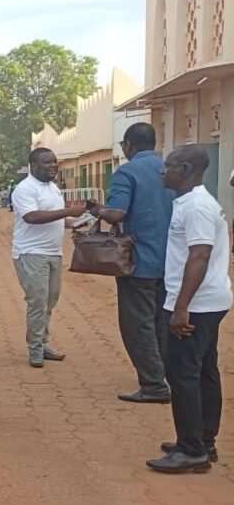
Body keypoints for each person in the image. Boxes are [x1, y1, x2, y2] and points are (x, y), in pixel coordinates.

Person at [147, 146, 232, 473]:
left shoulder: (196, 207)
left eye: (167, 166)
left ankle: (191, 449)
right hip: (209, 300)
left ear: (185, 168)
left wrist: (181, 307)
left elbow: (199, 257)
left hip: (196, 304)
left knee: (183, 374)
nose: (162, 171)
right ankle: (202, 441)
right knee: (204, 371)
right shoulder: (196, 202)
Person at [91, 123, 175, 403]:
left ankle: (153, 385)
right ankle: (165, 376)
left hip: (138, 261)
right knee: (161, 321)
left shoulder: (127, 172)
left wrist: (98, 210)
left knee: (137, 324)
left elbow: (116, 214)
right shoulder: (171, 169)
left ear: (128, 146)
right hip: (171, 261)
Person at [11, 148, 87, 368]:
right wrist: (67, 213)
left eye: (55, 162)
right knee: (37, 302)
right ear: (33, 165)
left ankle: (43, 344)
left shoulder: (53, 188)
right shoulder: (25, 189)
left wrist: (76, 222)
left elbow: (56, 218)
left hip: (54, 253)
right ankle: (34, 349)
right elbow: (32, 217)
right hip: (31, 253)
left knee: (50, 300)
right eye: (47, 163)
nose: (53, 166)